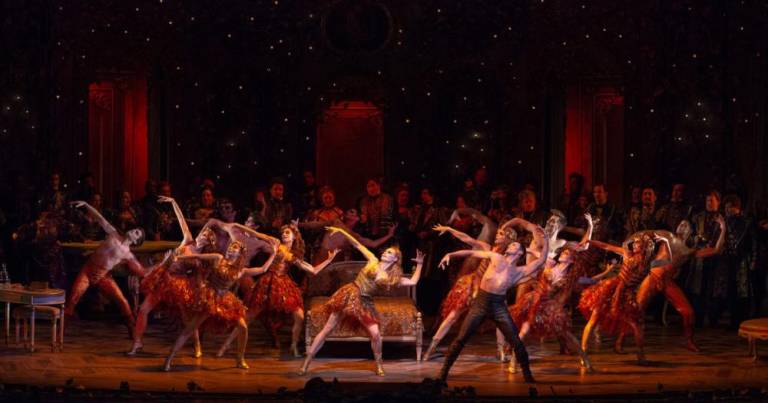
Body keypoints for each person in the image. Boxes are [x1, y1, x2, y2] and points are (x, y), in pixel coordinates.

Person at [435, 218, 548, 383]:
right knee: (461, 338)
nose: (510, 246)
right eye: (510, 245)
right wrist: (450, 254)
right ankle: (443, 373)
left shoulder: (519, 271)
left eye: (514, 245)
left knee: (515, 340)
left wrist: (545, 240)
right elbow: (472, 251)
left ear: (520, 253)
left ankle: (527, 375)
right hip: (481, 301)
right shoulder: (496, 257)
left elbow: (542, 260)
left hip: (498, 306)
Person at [299, 227, 424, 376]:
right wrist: (341, 230)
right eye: (385, 251)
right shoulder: (372, 259)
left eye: (389, 252)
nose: (385, 252)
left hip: (365, 302)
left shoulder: (392, 277)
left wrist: (420, 264)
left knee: (376, 334)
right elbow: (357, 244)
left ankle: (379, 364)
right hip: (350, 294)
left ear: (396, 259)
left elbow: (413, 282)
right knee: (327, 329)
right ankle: (306, 364)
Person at [217, 223, 339, 358]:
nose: (284, 234)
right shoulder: (275, 242)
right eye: (283, 232)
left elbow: (313, 270)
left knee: (299, 316)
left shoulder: (294, 255)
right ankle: (225, 346)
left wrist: (329, 260)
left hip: (284, 284)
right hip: (268, 283)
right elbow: (257, 234)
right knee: (249, 316)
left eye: (287, 232)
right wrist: (238, 226)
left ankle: (293, 346)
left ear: (294, 236)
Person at [613, 217, 726, 352]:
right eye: (681, 224)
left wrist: (723, 228)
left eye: (686, 225)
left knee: (688, 312)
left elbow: (716, 250)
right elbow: (645, 233)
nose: (682, 226)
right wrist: (629, 242)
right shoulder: (667, 235)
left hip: (667, 282)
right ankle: (620, 340)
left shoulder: (688, 251)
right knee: (636, 310)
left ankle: (689, 341)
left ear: (690, 232)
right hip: (653, 277)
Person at [162, 240, 274, 371]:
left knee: (243, 326)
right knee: (190, 329)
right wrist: (177, 257)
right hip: (210, 296)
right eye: (231, 246)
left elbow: (263, 269)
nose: (231, 249)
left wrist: (273, 254)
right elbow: (197, 256)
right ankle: (169, 359)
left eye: (235, 247)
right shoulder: (218, 258)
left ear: (240, 253)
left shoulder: (241, 270)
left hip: (225, 299)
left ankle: (240, 359)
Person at [508, 213, 594, 372]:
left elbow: (584, 246)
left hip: (548, 302)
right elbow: (530, 250)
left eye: (554, 222)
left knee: (565, 332)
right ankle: (513, 359)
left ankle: (584, 358)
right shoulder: (543, 248)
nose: (550, 223)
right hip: (533, 292)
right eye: (549, 221)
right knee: (523, 329)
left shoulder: (561, 254)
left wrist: (591, 225)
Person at [579, 232, 670, 364]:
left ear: (645, 246)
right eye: (635, 242)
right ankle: (583, 352)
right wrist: (590, 242)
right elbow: (607, 247)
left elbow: (667, 259)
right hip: (612, 289)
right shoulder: (635, 257)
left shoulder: (648, 261)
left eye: (638, 242)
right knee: (594, 319)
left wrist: (665, 242)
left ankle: (641, 356)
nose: (634, 244)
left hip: (626, 293)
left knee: (637, 324)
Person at [65, 201, 148, 337]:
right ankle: (60, 332)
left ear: (136, 241)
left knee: (123, 302)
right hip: (88, 270)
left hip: (102, 277)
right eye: (135, 229)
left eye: (136, 232)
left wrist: (164, 263)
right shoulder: (114, 233)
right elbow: (99, 218)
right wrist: (86, 205)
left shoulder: (128, 255)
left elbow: (142, 271)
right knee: (73, 299)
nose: (133, 230)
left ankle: (133, 331)